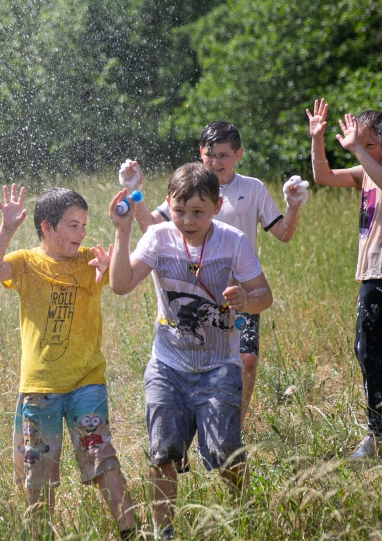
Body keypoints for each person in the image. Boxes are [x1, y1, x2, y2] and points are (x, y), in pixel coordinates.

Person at [109, 162, 274, 541]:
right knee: (162, 452)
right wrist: (122, 230)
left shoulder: (232, 241)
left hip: (220, 366)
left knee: (225, 452)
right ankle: (165, 538)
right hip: (167, 366)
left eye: (198, 212)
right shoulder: (158, 238)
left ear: (216, 207)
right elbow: (119, 285)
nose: (187, 220)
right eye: (180, 211)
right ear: (168, 204)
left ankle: (245, 520)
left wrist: (245, 301)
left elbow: (264, 295)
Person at [0, 184, 145, 541]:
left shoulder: (90, 260)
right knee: (39, 476)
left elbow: (123, 278)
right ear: (46, 228)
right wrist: (5, 228)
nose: (81, 233)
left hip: (87, 384)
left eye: (84, 225)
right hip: (40, 390)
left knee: (103, 461)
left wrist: (120, 239)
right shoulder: (25, 263)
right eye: (72, 225)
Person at [130, 122, 309, 433]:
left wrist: (293, 207)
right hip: (190, 291)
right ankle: (195, 418)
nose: (215, 162)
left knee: (247, 358)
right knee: (194, 356)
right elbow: (151, 229)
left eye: (223, 155)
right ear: (200, 153)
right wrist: (136, 195)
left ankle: (232, 426)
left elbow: (283, 233)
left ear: (238, 154)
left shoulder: (252, 188)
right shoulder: (189, 187)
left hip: (237, 293)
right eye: (209, 155)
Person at [307, 98, 382, 458]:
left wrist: (355, 148)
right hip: (373, 272)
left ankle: (378, 432)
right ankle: (378, 427)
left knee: (368, 350)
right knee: (365, 349)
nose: (363, 150)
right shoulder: (366, 170)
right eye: (360, 144)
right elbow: (322, 176)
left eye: (370, 144)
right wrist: (317, 139)